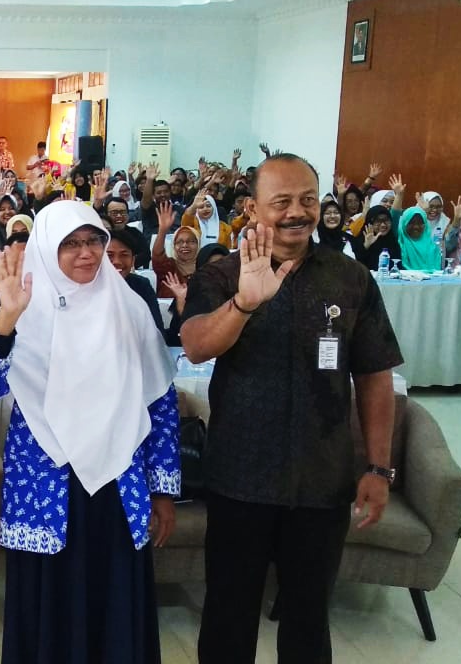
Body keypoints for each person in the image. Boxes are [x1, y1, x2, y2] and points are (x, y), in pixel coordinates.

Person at [181, 154, 403, 663]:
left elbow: (374, 374)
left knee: (308, 620)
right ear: (254, 208)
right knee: (228, 617)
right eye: (281, 202)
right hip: (240, 478)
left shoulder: (351, 279)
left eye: (307, 199)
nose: (296, 212)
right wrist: (245, 303)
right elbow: (194, 345)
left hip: (322, 480)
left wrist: (377, 466)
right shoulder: (222, 276)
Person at [0, 200, 180, 664]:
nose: (86, 253)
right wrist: (4, 321)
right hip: (48, 490)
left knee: (113, 606)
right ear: (46, 248)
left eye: (94, 240)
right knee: (50, 615)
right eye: (71, 244)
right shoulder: (22, 308)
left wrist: (163, 490)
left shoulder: (130, 308)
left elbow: (160, 404)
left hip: (117, 487)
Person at [105, 232, 164, 331]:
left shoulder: (141, 286)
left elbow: (157, 329)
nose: (117, 262)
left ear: (133, 260)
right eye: (109, 255)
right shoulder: (88, 288)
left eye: (124, 255)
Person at [152, 201, 199, 300]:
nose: (185, 245)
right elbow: (157, 255)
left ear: (198, 245)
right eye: (180, 242)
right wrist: (162, 230)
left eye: (191, 241)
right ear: (174, 246)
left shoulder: (205, 268)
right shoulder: (168, 267)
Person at [351, 205, 400, 271]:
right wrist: (365, 246)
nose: (383, 225)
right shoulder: (359, 241)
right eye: (378, 221)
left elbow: (398, 266)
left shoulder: (393, 241)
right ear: (369, 223)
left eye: (386, 220)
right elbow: (355, 266)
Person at [397, 206, 442, 271]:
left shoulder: (432, 246)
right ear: (404, 223)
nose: (416, 227)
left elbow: (437, 271)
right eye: (411, 223)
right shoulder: (399, 243)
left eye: (420, 223)